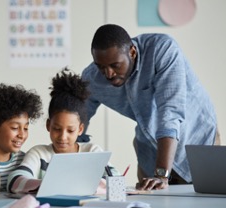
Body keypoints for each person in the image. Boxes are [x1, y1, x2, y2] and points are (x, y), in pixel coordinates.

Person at [79, 24, 220, 190]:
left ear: (132, 52)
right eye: (101, 67)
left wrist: (161, 175)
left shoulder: (162, 50)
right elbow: (76, 121)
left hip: (197, 143)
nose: (108, 74)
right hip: (149, 151)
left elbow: (169, 114)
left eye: (115, 65)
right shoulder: (92, 78)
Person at [7, 68, 115, 194]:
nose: (63, 137)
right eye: (57, 129)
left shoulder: (93, 152)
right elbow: (15, 181)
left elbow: (115, 180)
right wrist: (50, 184)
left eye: (70, 130)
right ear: (48, 125)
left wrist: (66, 185)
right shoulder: (39, 154)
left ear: (80, 129)